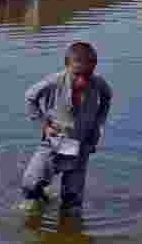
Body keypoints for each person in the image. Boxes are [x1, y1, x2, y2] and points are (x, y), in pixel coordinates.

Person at [21, 41, 112, 214]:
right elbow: (30, 98)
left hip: (81, 144)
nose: (82, 80)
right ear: (68, 67)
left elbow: (107, 99)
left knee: (72, 200)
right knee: (30, 183)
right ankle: (39, 199)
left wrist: (98, 125)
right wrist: (43, 124)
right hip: (54, 141)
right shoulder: (54, 82)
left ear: (94, 68)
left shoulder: (98, 84)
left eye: (88, 74)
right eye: (77, 74)